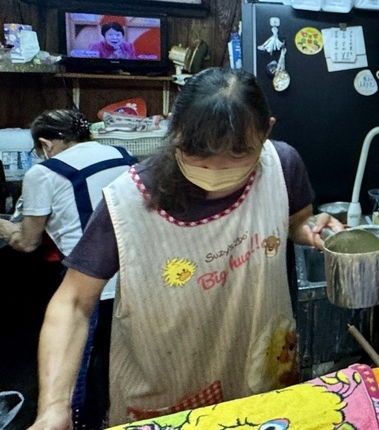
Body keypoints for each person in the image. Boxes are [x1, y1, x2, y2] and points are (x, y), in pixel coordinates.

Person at [29, 68, 342, 429]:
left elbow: (294, 223)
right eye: (198, 153)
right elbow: (72, 303)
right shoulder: (129, 202)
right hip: (166, 394)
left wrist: (312, 231)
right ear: (175, 131)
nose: (215, 169)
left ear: (266, 131)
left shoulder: (282, 165)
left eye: (237, 154)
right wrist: (53, 407)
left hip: (261, 379)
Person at [0, 109, 137, 430]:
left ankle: (78, 422)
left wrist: (9, 230)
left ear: (45, 144)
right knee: (122, 369)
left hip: (88, 287)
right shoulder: (121, 155)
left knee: (74, 375)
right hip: (134, 281)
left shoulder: (43, 173)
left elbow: (28, 242)